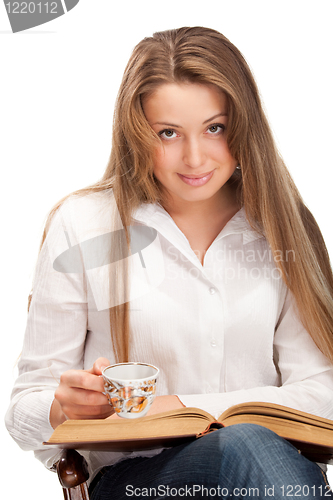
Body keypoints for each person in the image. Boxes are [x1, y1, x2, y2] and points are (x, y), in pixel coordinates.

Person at [5, 26, 333, 499]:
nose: (195, 157)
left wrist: (178, 405)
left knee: (250, 448)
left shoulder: (282, 227)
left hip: (270, 473)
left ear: (243, 127)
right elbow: (22, 410)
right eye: (168, 133)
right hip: (139, 481)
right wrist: (61, 410)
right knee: (244, 448)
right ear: (138, 133)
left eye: (214, 128)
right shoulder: (84, 224)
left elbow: (321, 395)